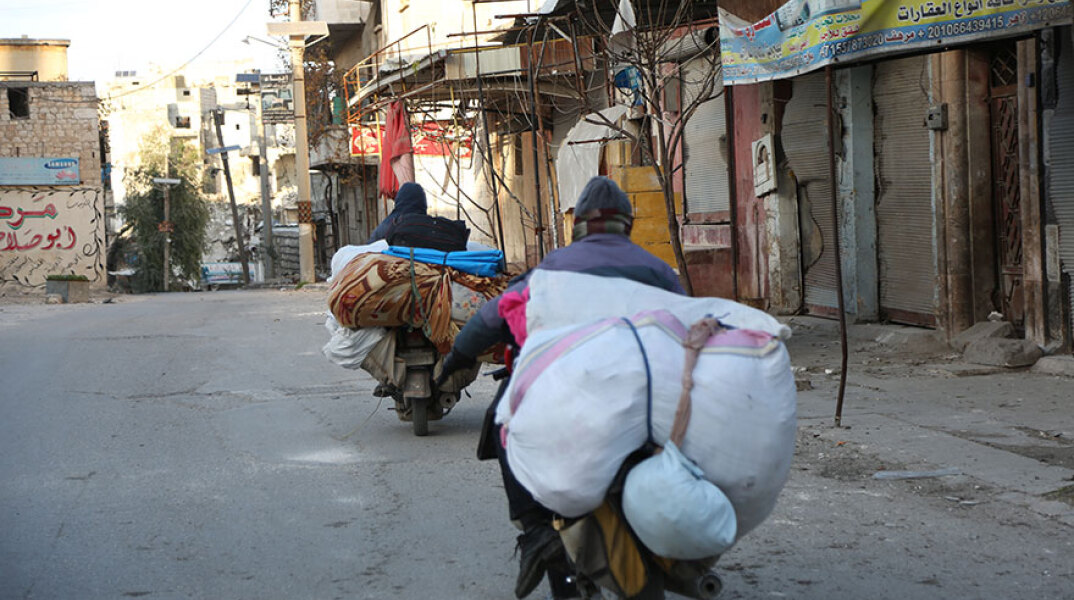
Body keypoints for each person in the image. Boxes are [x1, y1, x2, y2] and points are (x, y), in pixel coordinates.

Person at [437, 176, 685, 599]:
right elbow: (688, 327)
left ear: (579, 225)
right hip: (642, 400)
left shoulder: (552, 269)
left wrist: (455, 361)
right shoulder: (657, 270)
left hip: (563, 398)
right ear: (627, 224)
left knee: (504, 423)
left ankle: (536, 530)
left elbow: (488, 321)